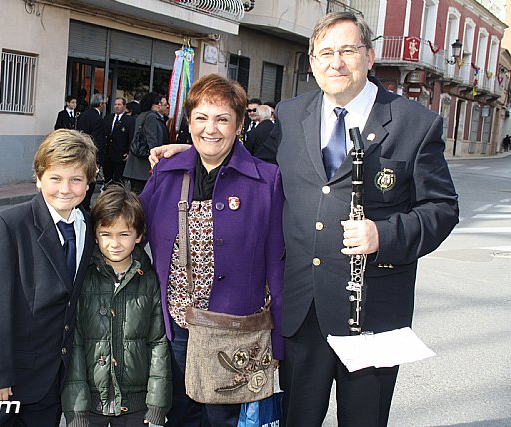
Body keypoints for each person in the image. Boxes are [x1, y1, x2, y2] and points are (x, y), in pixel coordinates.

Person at [150, 12, 460, 427]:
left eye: (348, 50)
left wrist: (383, 233)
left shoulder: (414, 123)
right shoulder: (293, 114)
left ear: (369, 57)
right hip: (302, 311)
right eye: (326, 52)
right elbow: (250, 170)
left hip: (370, 311)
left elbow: (442, 209)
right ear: (312, 62)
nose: (337, 62)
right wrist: (189, 154)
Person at [140, 74, 284, 427]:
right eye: (201, 118)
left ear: (239, 125)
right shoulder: (165, 175)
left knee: (226, 421)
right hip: (177, 331)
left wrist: (278, 340)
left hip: (236, 336)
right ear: (188, 123)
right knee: (180, 418)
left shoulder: (267, 181)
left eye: (222, 118)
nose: (211, 129)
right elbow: (129, 231)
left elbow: (278, 263)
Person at [0, 129, 98, 427]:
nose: (65, 188)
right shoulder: (8, 225)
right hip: (2, 386)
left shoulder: (88, 227)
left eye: (76, 179)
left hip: (49, 382)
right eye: (55, 178)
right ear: (38, 179)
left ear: (88, 184)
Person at [62, 184, 171, 427]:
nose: (115, 243)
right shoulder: (83, 278)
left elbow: (158, 345)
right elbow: (75, 345)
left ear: (140, 235)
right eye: (106, 234)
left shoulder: (149, 280)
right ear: (95, 235)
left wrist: (156, 408)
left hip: (137, 405)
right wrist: (77, 412)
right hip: (91, 405)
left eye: (124, 234)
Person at [123, 92, 164, 194]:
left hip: (135, 165)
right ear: (150, 103)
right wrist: (156, 158)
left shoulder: (142, 115)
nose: (159, 105)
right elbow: (152, 139)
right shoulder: (151, 117)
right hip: (144, 167)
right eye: (157, 102)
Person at [77, 93, 106, 210]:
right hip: (92, 156)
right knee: (91, 182)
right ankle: (85, 206)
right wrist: (98, 160)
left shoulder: (83, 115)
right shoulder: (98, 119)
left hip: (81, 152)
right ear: (100, 104)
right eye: (104, 103)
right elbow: (97, 141)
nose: (104, 106)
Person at [103, 97, 135, 185]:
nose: (117, 107)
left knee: (119, 180)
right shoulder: (108, 118)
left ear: (124, 107)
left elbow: (131, 138)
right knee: (107, 179)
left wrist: (129, 152)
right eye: (115, 104)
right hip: (108, 155)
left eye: (119, 105)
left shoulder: (130, 121)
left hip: (120, 155)